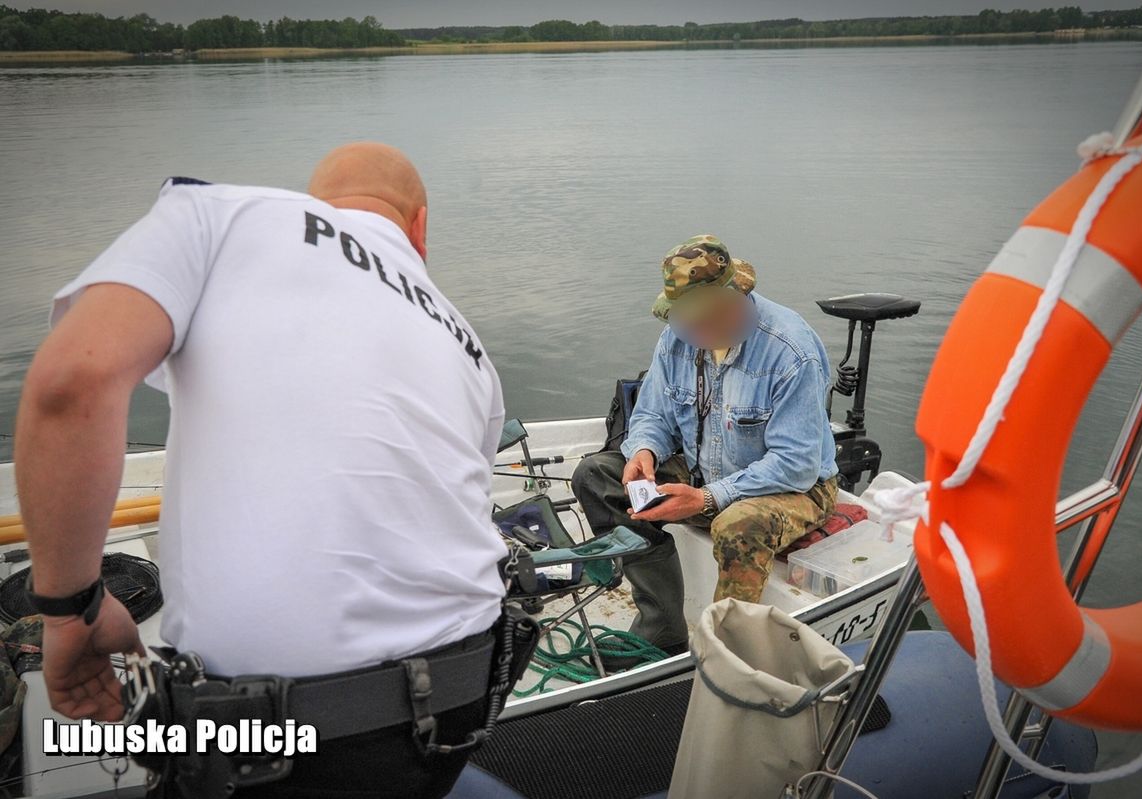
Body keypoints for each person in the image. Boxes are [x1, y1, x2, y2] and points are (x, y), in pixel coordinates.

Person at [14, 142, 508, 797]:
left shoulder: (219, 215)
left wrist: (70, 611)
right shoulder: (471, 348)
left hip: (275, 745)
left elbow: (72, 384)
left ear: (312, 204)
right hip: (463, 701)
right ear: (418, 227)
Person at [572, 235, 839, 664]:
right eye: (679, 317)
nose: (683, 330)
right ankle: (662, 627)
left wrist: (707, 498)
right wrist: (644, 453)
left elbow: (797, 464)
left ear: (731, 303)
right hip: (702, 471)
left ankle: (726, 659)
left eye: (694, 319)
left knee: (738, 523)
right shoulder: (678, 336)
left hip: (796, 489)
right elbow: (652, 415)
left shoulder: (791, 352)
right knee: (596, 475)